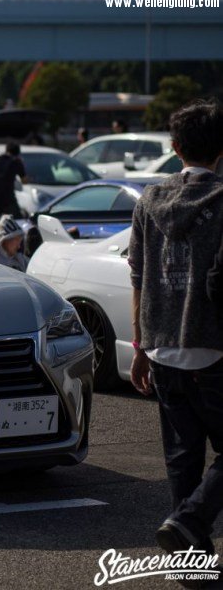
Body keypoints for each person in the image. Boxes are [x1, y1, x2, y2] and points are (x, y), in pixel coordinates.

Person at [128, 99, 223, 571]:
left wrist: (140, 347)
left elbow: (138, 276)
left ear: (174, 146)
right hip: (214, 347)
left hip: (163, 346)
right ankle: (192, 519)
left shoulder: (148, 200)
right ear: (220, 149)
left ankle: (189, 558)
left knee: (182, 459)